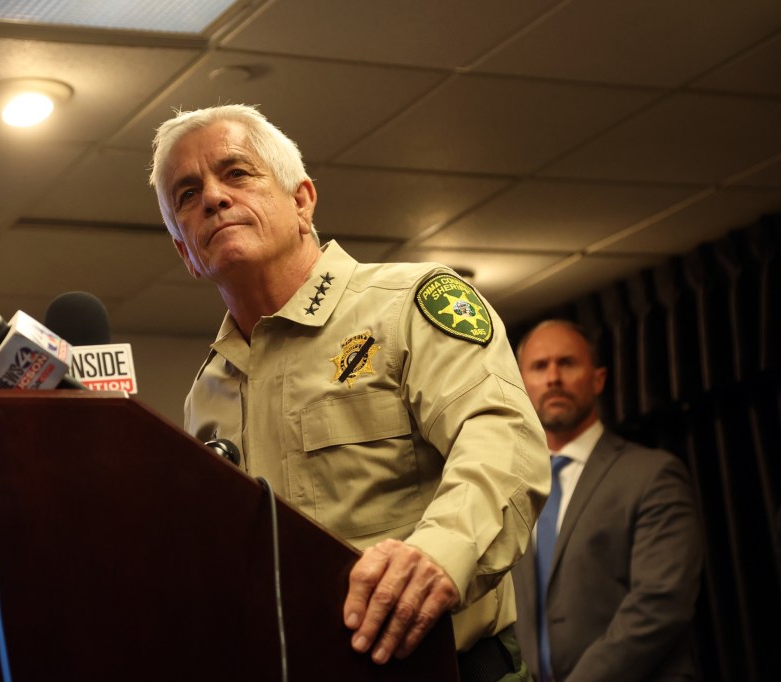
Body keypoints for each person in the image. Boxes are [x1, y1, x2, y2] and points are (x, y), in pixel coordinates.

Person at [149, 104, 549, 680]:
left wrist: (440, 555)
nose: (212, 197)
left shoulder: (409, 304)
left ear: (302, 201)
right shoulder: (208, 393)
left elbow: (503, 440)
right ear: (186, 252)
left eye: (236, 173)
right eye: (187, 195)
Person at [512, 320, 703, 681]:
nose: (553, 377)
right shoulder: (512, 487)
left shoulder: (652, 475)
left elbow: (661, 603)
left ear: (598, 379)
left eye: (567, 363)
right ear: (521, 384)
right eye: (539, 366)